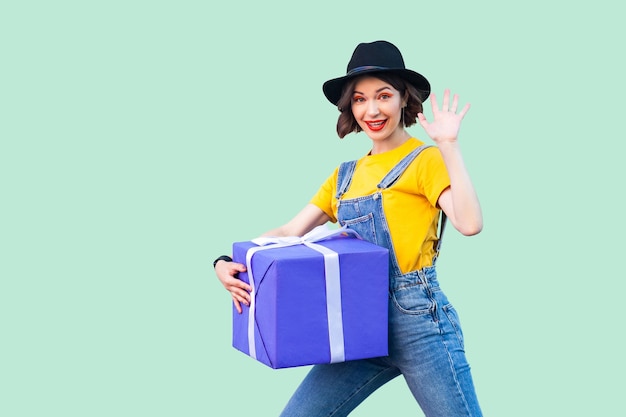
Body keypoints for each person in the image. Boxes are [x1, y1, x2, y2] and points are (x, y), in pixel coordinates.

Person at [213, 40, 483, 416]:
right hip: (359, 322)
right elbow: (290, 232)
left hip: (420, 325)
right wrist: (227, 260)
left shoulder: (425, 159)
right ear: (349, 107)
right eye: (359, 99)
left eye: (383, 95)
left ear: (404, 99)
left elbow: (469, 223)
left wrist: (449, 145)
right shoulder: (344, 176)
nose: (371, 110)